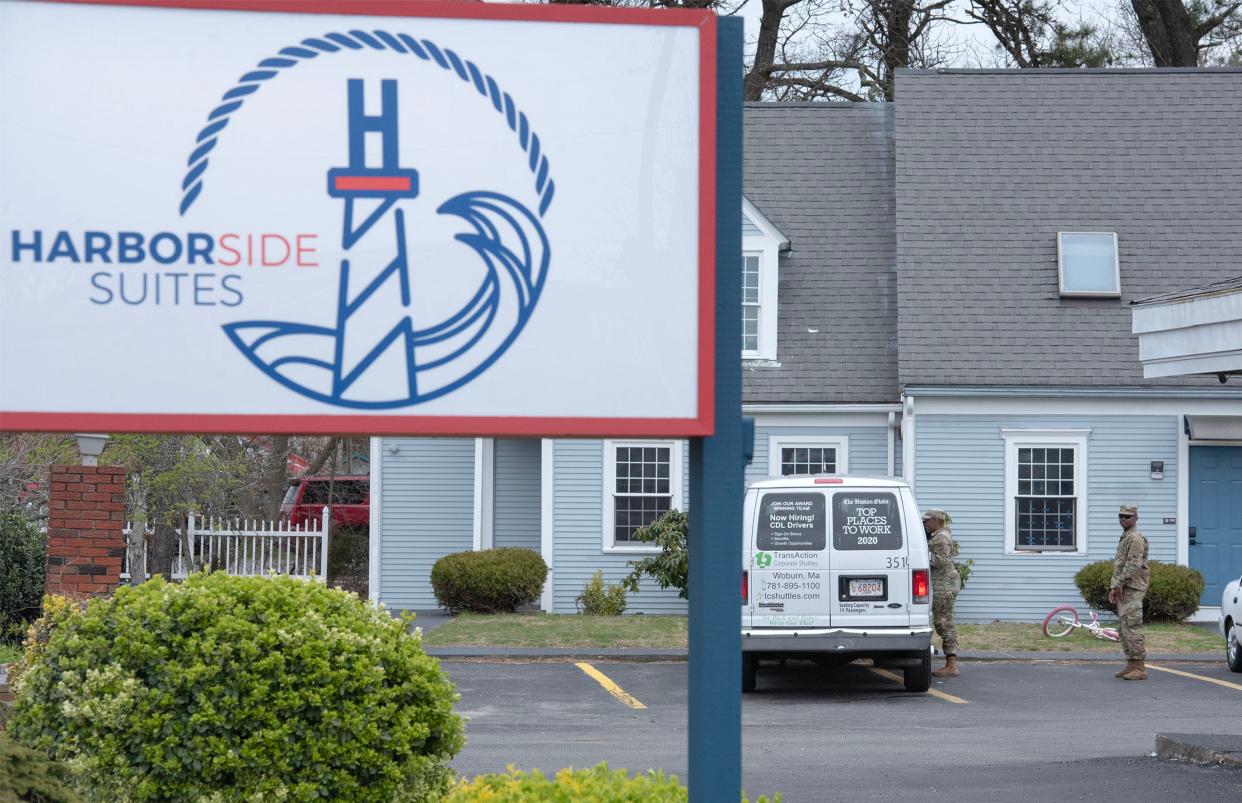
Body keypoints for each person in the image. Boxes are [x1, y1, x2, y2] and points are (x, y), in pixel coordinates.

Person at [1109, 504, 1149, 681]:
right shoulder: (1126, 537)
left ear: (1135, 518)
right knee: (1124, 627)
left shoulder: (1135, 538)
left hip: (1132, 588)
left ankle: (1139, 667)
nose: (1123, 519)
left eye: (1127, 516)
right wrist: (1115, 587)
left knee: (1132, 626)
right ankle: (1131, 664)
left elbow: (1132, 565)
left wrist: (1118, 584)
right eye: (1120, 516)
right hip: (1124, 587)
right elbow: (1120, 565)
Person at [923, 508, 961, 677]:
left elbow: (941, 561)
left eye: (927, 520)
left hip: (944, 585)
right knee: (943, 621)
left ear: (936, 520)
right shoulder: (938, 536)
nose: (925, 523)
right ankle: (950, 662)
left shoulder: (941, 538)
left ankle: (951, 664)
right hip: (942, 584)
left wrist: (922, 554)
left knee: (944, 622)